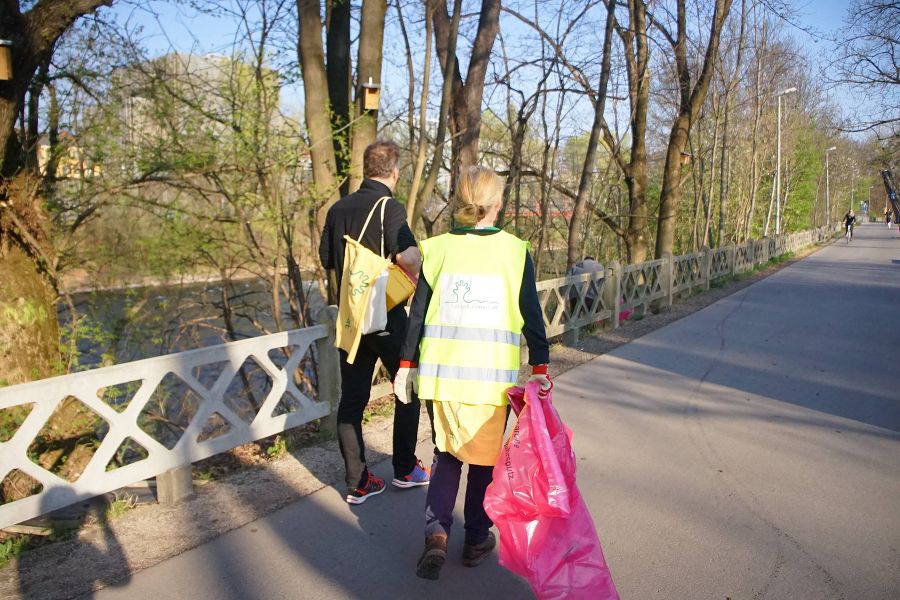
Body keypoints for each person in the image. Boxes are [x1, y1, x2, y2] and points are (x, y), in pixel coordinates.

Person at [393, 166, 551, 581]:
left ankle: (436, 534)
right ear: (497, 203)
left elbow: (418, 315)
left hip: (443, 378)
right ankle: (477, 537)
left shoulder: (438, 248)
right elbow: (532, 315)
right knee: (483, 464)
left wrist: (405, 366)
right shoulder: (515, 251)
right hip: (490, 382)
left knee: (446, 456)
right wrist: (540, 365)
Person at [318, 140, 431, 505]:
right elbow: (410, 257)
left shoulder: (337, 210)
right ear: (394, 172)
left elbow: (329, 261)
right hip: (385, 316)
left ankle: (358, 481)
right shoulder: (389, 207)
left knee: (351, 400)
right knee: (406, 386)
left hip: (350, 320)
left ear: (366, 169)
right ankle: (404, 468)